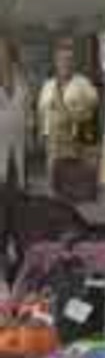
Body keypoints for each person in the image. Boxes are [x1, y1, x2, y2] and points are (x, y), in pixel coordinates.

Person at [37, 40, 99, 196]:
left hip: (73, 144)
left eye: (69, 60)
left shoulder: (83, 84)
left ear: (74, 63)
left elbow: (91, 111)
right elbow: (41, 111)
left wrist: (70, 114)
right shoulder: (48, 85)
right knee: (52, 181)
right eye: (61, 59)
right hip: (52, 143)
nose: (65, 63)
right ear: (56, 62)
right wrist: (41, 133)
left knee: (70, 182)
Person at [0, 36, 29, 285]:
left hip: (16, 163)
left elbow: (25, 118)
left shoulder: (21, 84)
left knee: (16, 221)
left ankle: (15, 275)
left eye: (5, 52)